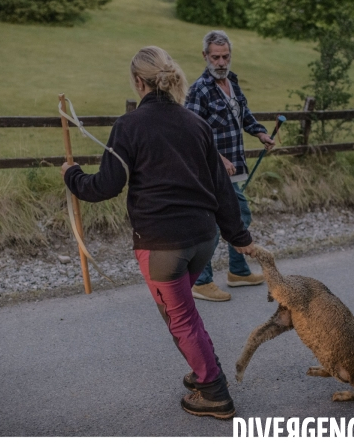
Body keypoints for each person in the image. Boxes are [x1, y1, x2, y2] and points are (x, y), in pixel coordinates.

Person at [61, 46, 254, 420]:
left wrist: (72, 176)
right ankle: (205, 372)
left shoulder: (129, 125)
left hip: (162, 247)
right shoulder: (196, 124)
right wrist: (238, 235)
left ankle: (213, 391)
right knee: (185, 316)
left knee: (180, 320)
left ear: (138, 81)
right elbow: (221, 187)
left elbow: (105, 186)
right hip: (203, 239)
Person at [185, 30, 275, 302]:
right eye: (215, 57)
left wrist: (259, 132)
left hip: (235, 167)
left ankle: (237, 271)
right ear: (205, 56)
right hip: (212, 171)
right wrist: (216, 157)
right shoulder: (199, 89)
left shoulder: (232, 82)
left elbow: (244, 114)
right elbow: (191, 132)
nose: (221, 62)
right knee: (218, 223)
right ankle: (200, 281)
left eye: (225, 56)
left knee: (240, 218)